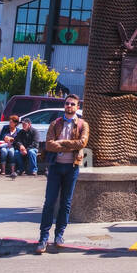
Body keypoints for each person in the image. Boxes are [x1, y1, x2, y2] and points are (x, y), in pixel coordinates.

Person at [37, 95, 89, 253]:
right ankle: (43, 238)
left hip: (72, 167)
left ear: (77, 106)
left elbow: (82, 143)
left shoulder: (82, 124)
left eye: (72, 104)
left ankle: (59, 235)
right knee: (49, 203)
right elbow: (49, 145)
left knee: (66, 203)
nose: (69, 106)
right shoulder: (55, 123)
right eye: (67, 103)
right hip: (55, 167)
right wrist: (68, 146)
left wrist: (60, 143)